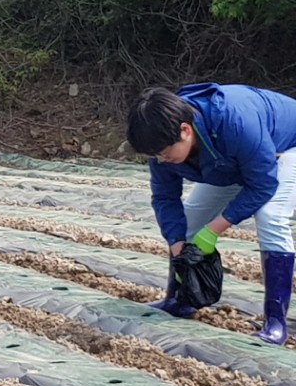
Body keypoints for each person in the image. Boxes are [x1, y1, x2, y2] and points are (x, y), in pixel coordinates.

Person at [127, 84, 296, 344]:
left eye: (163, 153)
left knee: (270, 216)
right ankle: (179, 299)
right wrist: (177, 245)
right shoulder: (164, 142)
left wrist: (214, 230)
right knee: (191, 219)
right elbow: (165, 197)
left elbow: (262, 184)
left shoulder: (235, 120)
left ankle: (275, 322)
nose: (160, 160)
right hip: (233, 160)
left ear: (185, 131)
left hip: (287, 147)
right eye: (155, 156)